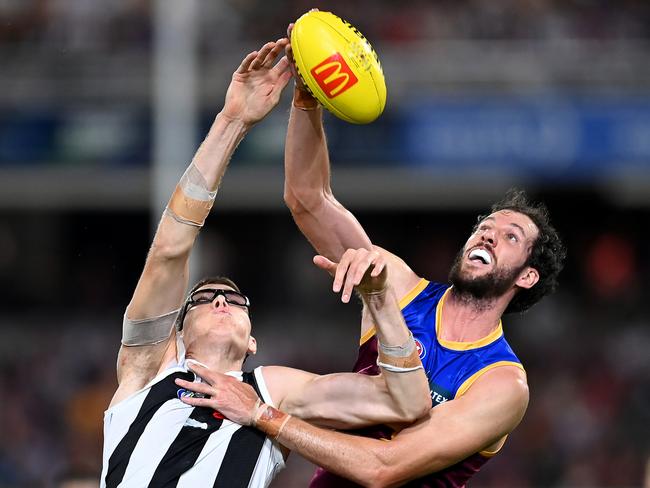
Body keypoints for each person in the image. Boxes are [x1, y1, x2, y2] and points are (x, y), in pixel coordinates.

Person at [178, 30, 567, 487]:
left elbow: (385, 468)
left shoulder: (501, 384)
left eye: (510, 236)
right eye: (486, 223)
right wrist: (308, 100)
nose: (487, 232)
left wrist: (260, 413)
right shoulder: (397, 285)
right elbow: (308, 198)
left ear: (527, 276)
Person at [100, 39, 431, 488]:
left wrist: (379, 302)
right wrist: (232, 120)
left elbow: (407, 404)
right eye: (204, 298)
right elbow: (171, 248)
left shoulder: (276, 393)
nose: (221, 301)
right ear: (176, 334)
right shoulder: (146, 369)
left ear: (252, 341)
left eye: (235, 300)